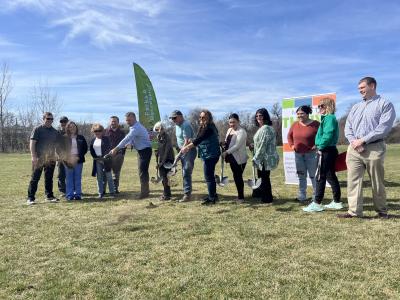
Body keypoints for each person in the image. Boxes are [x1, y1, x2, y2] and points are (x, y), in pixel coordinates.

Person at [338, 77, 396, 219]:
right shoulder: (356, 107)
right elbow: (348, 127)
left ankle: (382, 211)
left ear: (373, 86)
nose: (360, 91)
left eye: (363, 88)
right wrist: (354, 142)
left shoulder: (385, 104)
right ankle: (354, 211)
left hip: (374, 148)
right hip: (354, 150)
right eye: (359, 89)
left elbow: (383, 128)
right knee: (353, 181)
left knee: (377, 181)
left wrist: (363, 140)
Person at [303, 98, 342, 212]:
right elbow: (326, 135)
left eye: (321, 106)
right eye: (319, 106)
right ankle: (337, 201)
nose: (319, 108)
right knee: (330, 176)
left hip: (326, 150)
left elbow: (328, 135)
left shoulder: (329, 118)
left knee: (320, 176)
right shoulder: (328, 118)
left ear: (328, 106)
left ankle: (317, 203)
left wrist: (320, 146)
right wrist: (318, 145)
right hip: (328, 149)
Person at [182, 109, 220, 205]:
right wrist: (191, 140)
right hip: (208, 154)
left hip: (211, 154)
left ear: (209, 118)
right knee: (210, 175)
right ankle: (213, 195)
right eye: (200, 117)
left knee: (208, 176)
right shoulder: (203, 127)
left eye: (203, 117)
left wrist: (187, 147)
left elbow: (199, 140)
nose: (201, 118)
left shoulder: (209, 128)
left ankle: (212, 198)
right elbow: (198, 138)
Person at [110, 112, 152, 199]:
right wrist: (131, 143)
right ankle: (146, 191)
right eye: (126, 120)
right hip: (142, 151)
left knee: (142, 171)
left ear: (134, 118)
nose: (127, 122)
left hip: (145, 151)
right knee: (143, 171)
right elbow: (133, 138)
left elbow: (127, 138)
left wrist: (116, 148)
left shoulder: (136, 128)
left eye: (129, 120)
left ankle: (144, 193)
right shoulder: (134, 126)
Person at [26, 112, 61, 205]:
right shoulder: (37, 129)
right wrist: (33, 156)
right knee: (35, 178)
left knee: (49, 178)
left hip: (51, 158)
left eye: (51, 119)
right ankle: (30, 198)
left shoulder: (55, 131)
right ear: (43, 119)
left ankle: (49, 196)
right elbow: (32, 143)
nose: (50, 120)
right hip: (39, 157)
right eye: (48, 119)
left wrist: (57, 154)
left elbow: (57, 145)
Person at [287, 105, 320, 202]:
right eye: (298, 114)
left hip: (312, 154)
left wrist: (317, 144)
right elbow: (289, 136)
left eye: (302, 113)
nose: (299, 115)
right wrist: (292, 146)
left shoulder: (316, 124)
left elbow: (321, 136)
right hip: (298, 155)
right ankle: (302, 196)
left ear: (308, 113)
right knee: (301, 176)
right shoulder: (294, 125)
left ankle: (316, 197)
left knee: (313, 176)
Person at [252, 108, 279, 204]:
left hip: (265, 158)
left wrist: (256, 157)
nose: (258, 117)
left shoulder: (266, 128)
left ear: (265, 116)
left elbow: (263, 144)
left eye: (261, 115)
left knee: (265, 178)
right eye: (257, 116)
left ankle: (267, 198)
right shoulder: (262, 128)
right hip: (262, 157)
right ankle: (262, 194)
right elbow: (259, 143)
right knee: (262, 177)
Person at [169, 110, 197, 202]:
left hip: (189, 151)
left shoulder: (186, 125)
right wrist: (179, 151)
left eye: (174, 118)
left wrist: (179, 155)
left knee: (186, 172)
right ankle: (186, 192)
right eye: (172, 118)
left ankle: (187, 195)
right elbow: (179, 140)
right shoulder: (177, 125)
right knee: (183, 172)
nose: (173, 120)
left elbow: (187, 141)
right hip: (182, 150)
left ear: (180, 116)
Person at [222, 113, 248, 203]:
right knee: (236, 176)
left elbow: (237, 146)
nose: (232, 124)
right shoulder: (229, 130)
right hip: (231, 157)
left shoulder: (242, 132)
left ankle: (241, 198)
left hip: (240, 159)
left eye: (234, 122)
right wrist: (223, 145)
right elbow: (227, 141)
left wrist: (226, 152)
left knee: (238, 177)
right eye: (230, 122)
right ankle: (239, 196)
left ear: (238, 121)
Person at [62, 121, 88, 201]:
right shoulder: (64, 138)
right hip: (68, 161)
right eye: (70, 127)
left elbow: (85, 149)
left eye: (73, 126)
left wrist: (78, 157)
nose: (72, 128)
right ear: (67, 128)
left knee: (77, 177)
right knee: (69, 178)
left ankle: (78, 194)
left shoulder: (81, 137)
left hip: (78, 160)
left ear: (76, 127)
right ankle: (69, 195)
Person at [90, 123, 115, 198]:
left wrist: (104, 159)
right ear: (93, 131)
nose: (97, 132)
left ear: (102, 131)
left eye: (99, 130)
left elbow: (108, 148)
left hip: (106, 160)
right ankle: (100, 193)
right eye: (95, 131)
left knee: (109, 176)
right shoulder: (93, 140)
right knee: (99, 177)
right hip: (97, 160)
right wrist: (96, 158)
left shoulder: (106, 139)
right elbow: (91, 150)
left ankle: (112, 193)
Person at [153, 121, 175, 200]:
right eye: (157, 130)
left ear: (163, 129)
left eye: (160, 129)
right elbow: (160, 148)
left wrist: (161, 163)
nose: (158, 131)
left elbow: (166, 151)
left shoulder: (167, 137)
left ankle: (166, 195)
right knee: (163, 177)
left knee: (165, 177)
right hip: (162, 159)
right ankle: (167, 193)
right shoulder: (158, 137)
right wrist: (157, 152)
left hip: (168, 159)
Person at [104, 116, 126, 194]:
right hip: (108, 155)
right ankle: (104, 189)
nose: (113, 123)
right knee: (107, 172)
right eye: (112, 121)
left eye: (115, 121)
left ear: (118, 122)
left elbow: (124, 144)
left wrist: (121, 153)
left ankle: (115, 188)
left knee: (116, 173)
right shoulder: (105, 131)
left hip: (118, 155)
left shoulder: (122, 132)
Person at [57, 116, 68, 196]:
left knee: (71, 174)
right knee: (61, 175)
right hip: (60, 157)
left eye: (65, 121)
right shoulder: (57, 133)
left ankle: (72, 189)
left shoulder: (71, 132)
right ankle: (62, 191)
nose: (63, 123)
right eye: (61, 122)